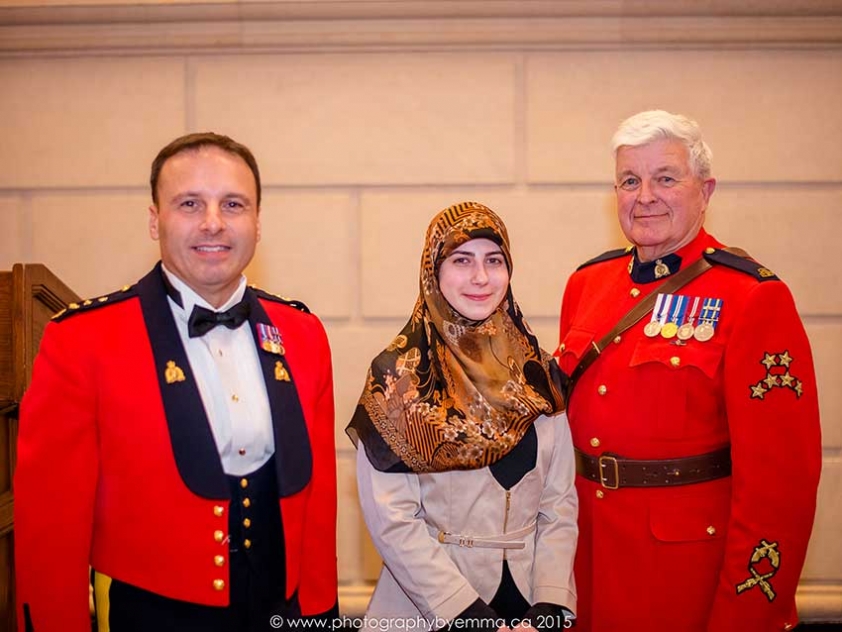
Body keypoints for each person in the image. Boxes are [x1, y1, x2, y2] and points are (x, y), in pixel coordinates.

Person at [15, 132, 338, 632]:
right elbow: (50, 530)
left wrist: (321, 619)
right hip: (150, 616)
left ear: (257, 222)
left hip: (280, 612)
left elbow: (317, 503)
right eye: (190, 203)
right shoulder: (82, 340)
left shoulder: (303, 334)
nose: (213, 222)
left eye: (233, 204)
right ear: (154, 219)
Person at [556, 110, 821, 631]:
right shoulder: (587, 284)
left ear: (706, 190)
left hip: (683, 579)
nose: (645, 195)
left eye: (665, 178)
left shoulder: (752, 297)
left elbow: (780, 490)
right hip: (584, 563)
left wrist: (746, 615)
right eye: (630, 180)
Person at [347, 201, 578, 632]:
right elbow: (393, 521)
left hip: (529, 611)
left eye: (494, 261)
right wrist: (467, 616)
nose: (480, 277)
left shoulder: (539, 374)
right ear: (433, 272)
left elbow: (559, 503)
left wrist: (549, 603)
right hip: (433, 611)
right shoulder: (398, 379)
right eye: (461, 260)